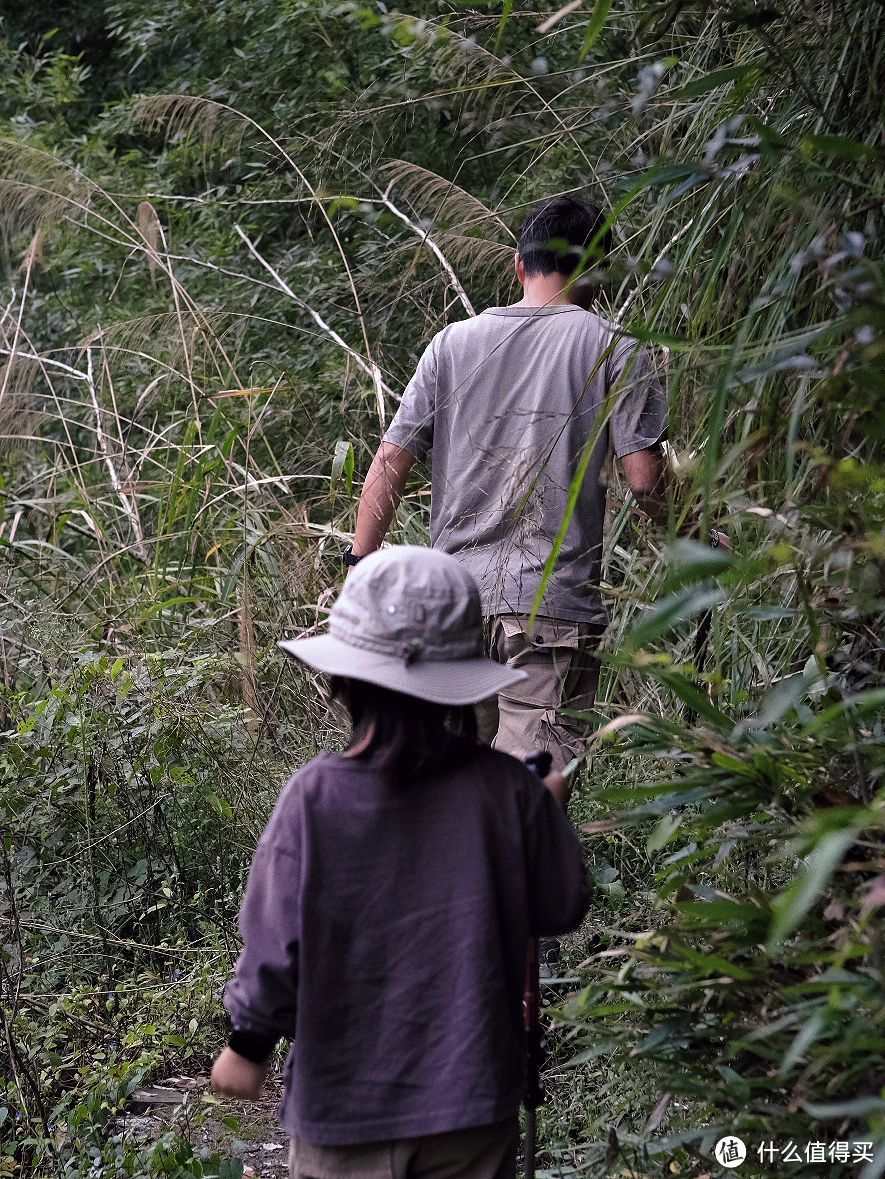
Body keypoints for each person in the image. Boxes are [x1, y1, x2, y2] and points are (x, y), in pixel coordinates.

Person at [210, 545, 591, 1179]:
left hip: (344, 1115)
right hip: (473, 1109)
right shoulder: (508, 791)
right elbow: (560, 905)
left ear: (344, 683)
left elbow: (276, 945)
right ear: (461, 683)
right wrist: (546, 812)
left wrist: (247, 1045)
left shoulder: (314, 798)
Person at [348, 194, 668, 776]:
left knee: (444, 782)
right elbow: (645, 484)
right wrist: (698, 535)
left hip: (449, 606)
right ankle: (523, 870)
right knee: (533, 782)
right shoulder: (616, 347)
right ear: (600, 272)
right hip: (551, 603)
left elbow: (392, 459)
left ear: (519, 266)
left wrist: (359, 563)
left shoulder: (451, 344)